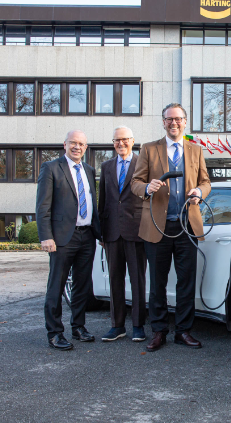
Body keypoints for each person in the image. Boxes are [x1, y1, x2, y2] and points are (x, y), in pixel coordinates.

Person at [131, 103, 211, 351]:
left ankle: (183, 331)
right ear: (163, 122)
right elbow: (135, 182)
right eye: (169, 119)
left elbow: (206, 182)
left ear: (185, 122)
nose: (173, 123)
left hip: (187, 226)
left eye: (178, 119)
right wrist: (147, 188)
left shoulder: (196, 149)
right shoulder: (149, 148)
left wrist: (200, 192)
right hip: (157, 226)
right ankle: (158, 331)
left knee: (186, 282)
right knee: (157, 283)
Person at [36, 130, 102, 351]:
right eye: (73, 143)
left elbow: (92, 204)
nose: (77, 147)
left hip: (87, 236)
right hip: (62, 237)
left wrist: (99, 234)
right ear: (64, 144)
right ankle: (55, 333)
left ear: (86, 147)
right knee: (56, 286)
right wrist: (46, 236)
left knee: (82, 285)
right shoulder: (51, 168)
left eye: (81, 144)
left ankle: (78, 327)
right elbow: (43, 206)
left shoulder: (89, 170)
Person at [98, 126, 147, 343]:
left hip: (136, 231)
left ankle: (138, 326)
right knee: (115, 280)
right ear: (113, 143)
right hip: (111, 232)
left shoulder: (142, 164)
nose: (121, 143)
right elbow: (103, 201)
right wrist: (101, 233)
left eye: (125, 139)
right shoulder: (106, 166)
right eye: (117, 140)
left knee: (138, 280)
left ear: (132, 141)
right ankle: (117, 326)